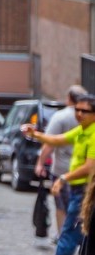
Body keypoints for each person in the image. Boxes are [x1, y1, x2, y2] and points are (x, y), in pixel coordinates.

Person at [22, 93, 95, 255]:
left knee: (70, 233)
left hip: (86, 192)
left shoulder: (94, 134)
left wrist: (63, 178)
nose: (79, 114)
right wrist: (34, 134)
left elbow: (90, 166)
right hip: (80, 190)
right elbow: (57, 140)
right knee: (81, 236)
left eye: (84, 111)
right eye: (77, 109)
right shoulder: (82, 130)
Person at [35, 85, 86, 237]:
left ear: (69, 98)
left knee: (61, 206)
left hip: (62, 171)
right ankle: (79, 237)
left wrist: (40, 163)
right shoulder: (88, 118)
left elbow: (51, 142)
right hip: (83, 172)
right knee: (81, 207)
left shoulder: (61, 117)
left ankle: (62, 236)